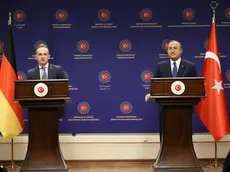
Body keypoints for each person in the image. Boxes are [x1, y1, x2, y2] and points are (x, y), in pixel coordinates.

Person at [145, 40, 197, 141]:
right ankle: (165, 156)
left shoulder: (189, 66)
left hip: (184, 108)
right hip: (166, 109)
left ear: (181, 50)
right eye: (170, 48)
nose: (172, 51)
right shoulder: (160, 66)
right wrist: (150, 93)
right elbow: (154, 84)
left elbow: (194, 86)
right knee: (166, 137)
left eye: (175, 48)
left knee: (183, 136)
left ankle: (185, 156)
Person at [26, 43, 67, 118]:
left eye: (45, 54)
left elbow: (63, 89)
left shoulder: (58, 70)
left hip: (54, 109)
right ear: (36, 57)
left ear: (49, 56)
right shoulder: (30, 73)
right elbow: (27, 92)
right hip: (36, 110)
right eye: (40, 54)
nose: (42, 57)